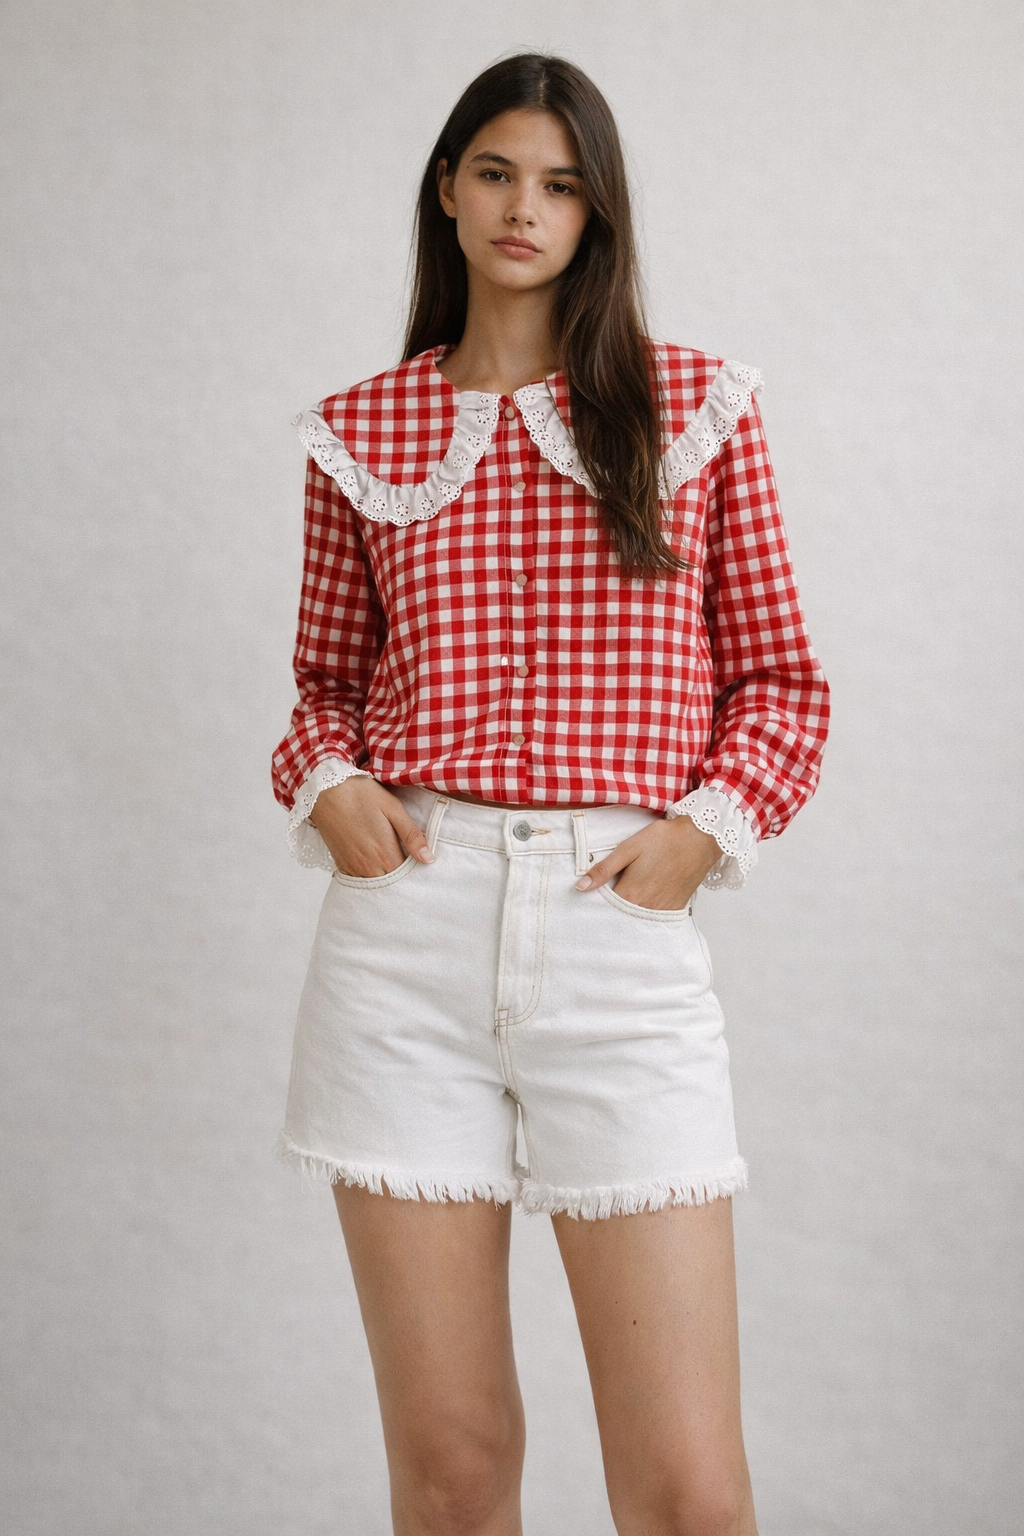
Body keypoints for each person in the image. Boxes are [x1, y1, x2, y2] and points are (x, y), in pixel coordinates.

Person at [271, 52, 828, 1536]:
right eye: (499, 173)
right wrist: (331, 786)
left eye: (563, 184)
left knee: (689, 1491)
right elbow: (323, 684)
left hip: (615, 940)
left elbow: (782, 683)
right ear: (448, 192)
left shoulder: (693, 407)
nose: (527, 208)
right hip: (404, 946)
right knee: (454, 1472)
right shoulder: (360, 432)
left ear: (598, 213)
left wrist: (698, 836)